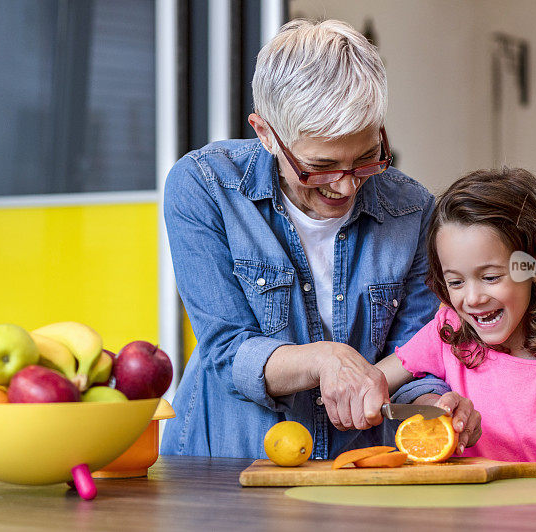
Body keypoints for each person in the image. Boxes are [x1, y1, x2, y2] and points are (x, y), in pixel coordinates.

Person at [161, 19, 481, 459]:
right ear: (266, 134)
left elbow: (412, 358)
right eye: (322, 166)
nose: (347, 187)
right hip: (229, 465)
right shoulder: (204, 186)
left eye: (368, 158)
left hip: (354, 471)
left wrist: (433, 409)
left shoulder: (412, 211)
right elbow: (227, 351)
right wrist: (324, 358)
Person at [378, 168, 536, 462]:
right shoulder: (448, 332)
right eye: (455, 282)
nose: (473, 298)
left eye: (491, 277)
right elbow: (375, 381)